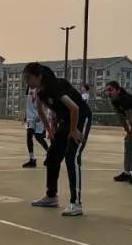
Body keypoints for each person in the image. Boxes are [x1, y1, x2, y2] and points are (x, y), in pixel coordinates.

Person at [26, 63, 92, 216]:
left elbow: (75, 108)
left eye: (29, 77)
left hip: (81, 117)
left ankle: (76, 204)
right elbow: (40, 111)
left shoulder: (55, 87)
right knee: (52, 155)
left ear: (39, 77)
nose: (27, 81)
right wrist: (49, 130)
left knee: (71, 157)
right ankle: (51, 196)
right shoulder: (40, 92)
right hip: (66, 120)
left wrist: (73, 130)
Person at [22, 85, 49, 168]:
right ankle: (32, 159)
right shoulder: (29, 86)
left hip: (39, 115)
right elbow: (28, 101)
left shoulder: (42, 86)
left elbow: (46, 103)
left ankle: (49, 153)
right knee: (29, 134)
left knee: (38, 137)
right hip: (30, 116)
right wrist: (26, 114)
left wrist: (42, 114)